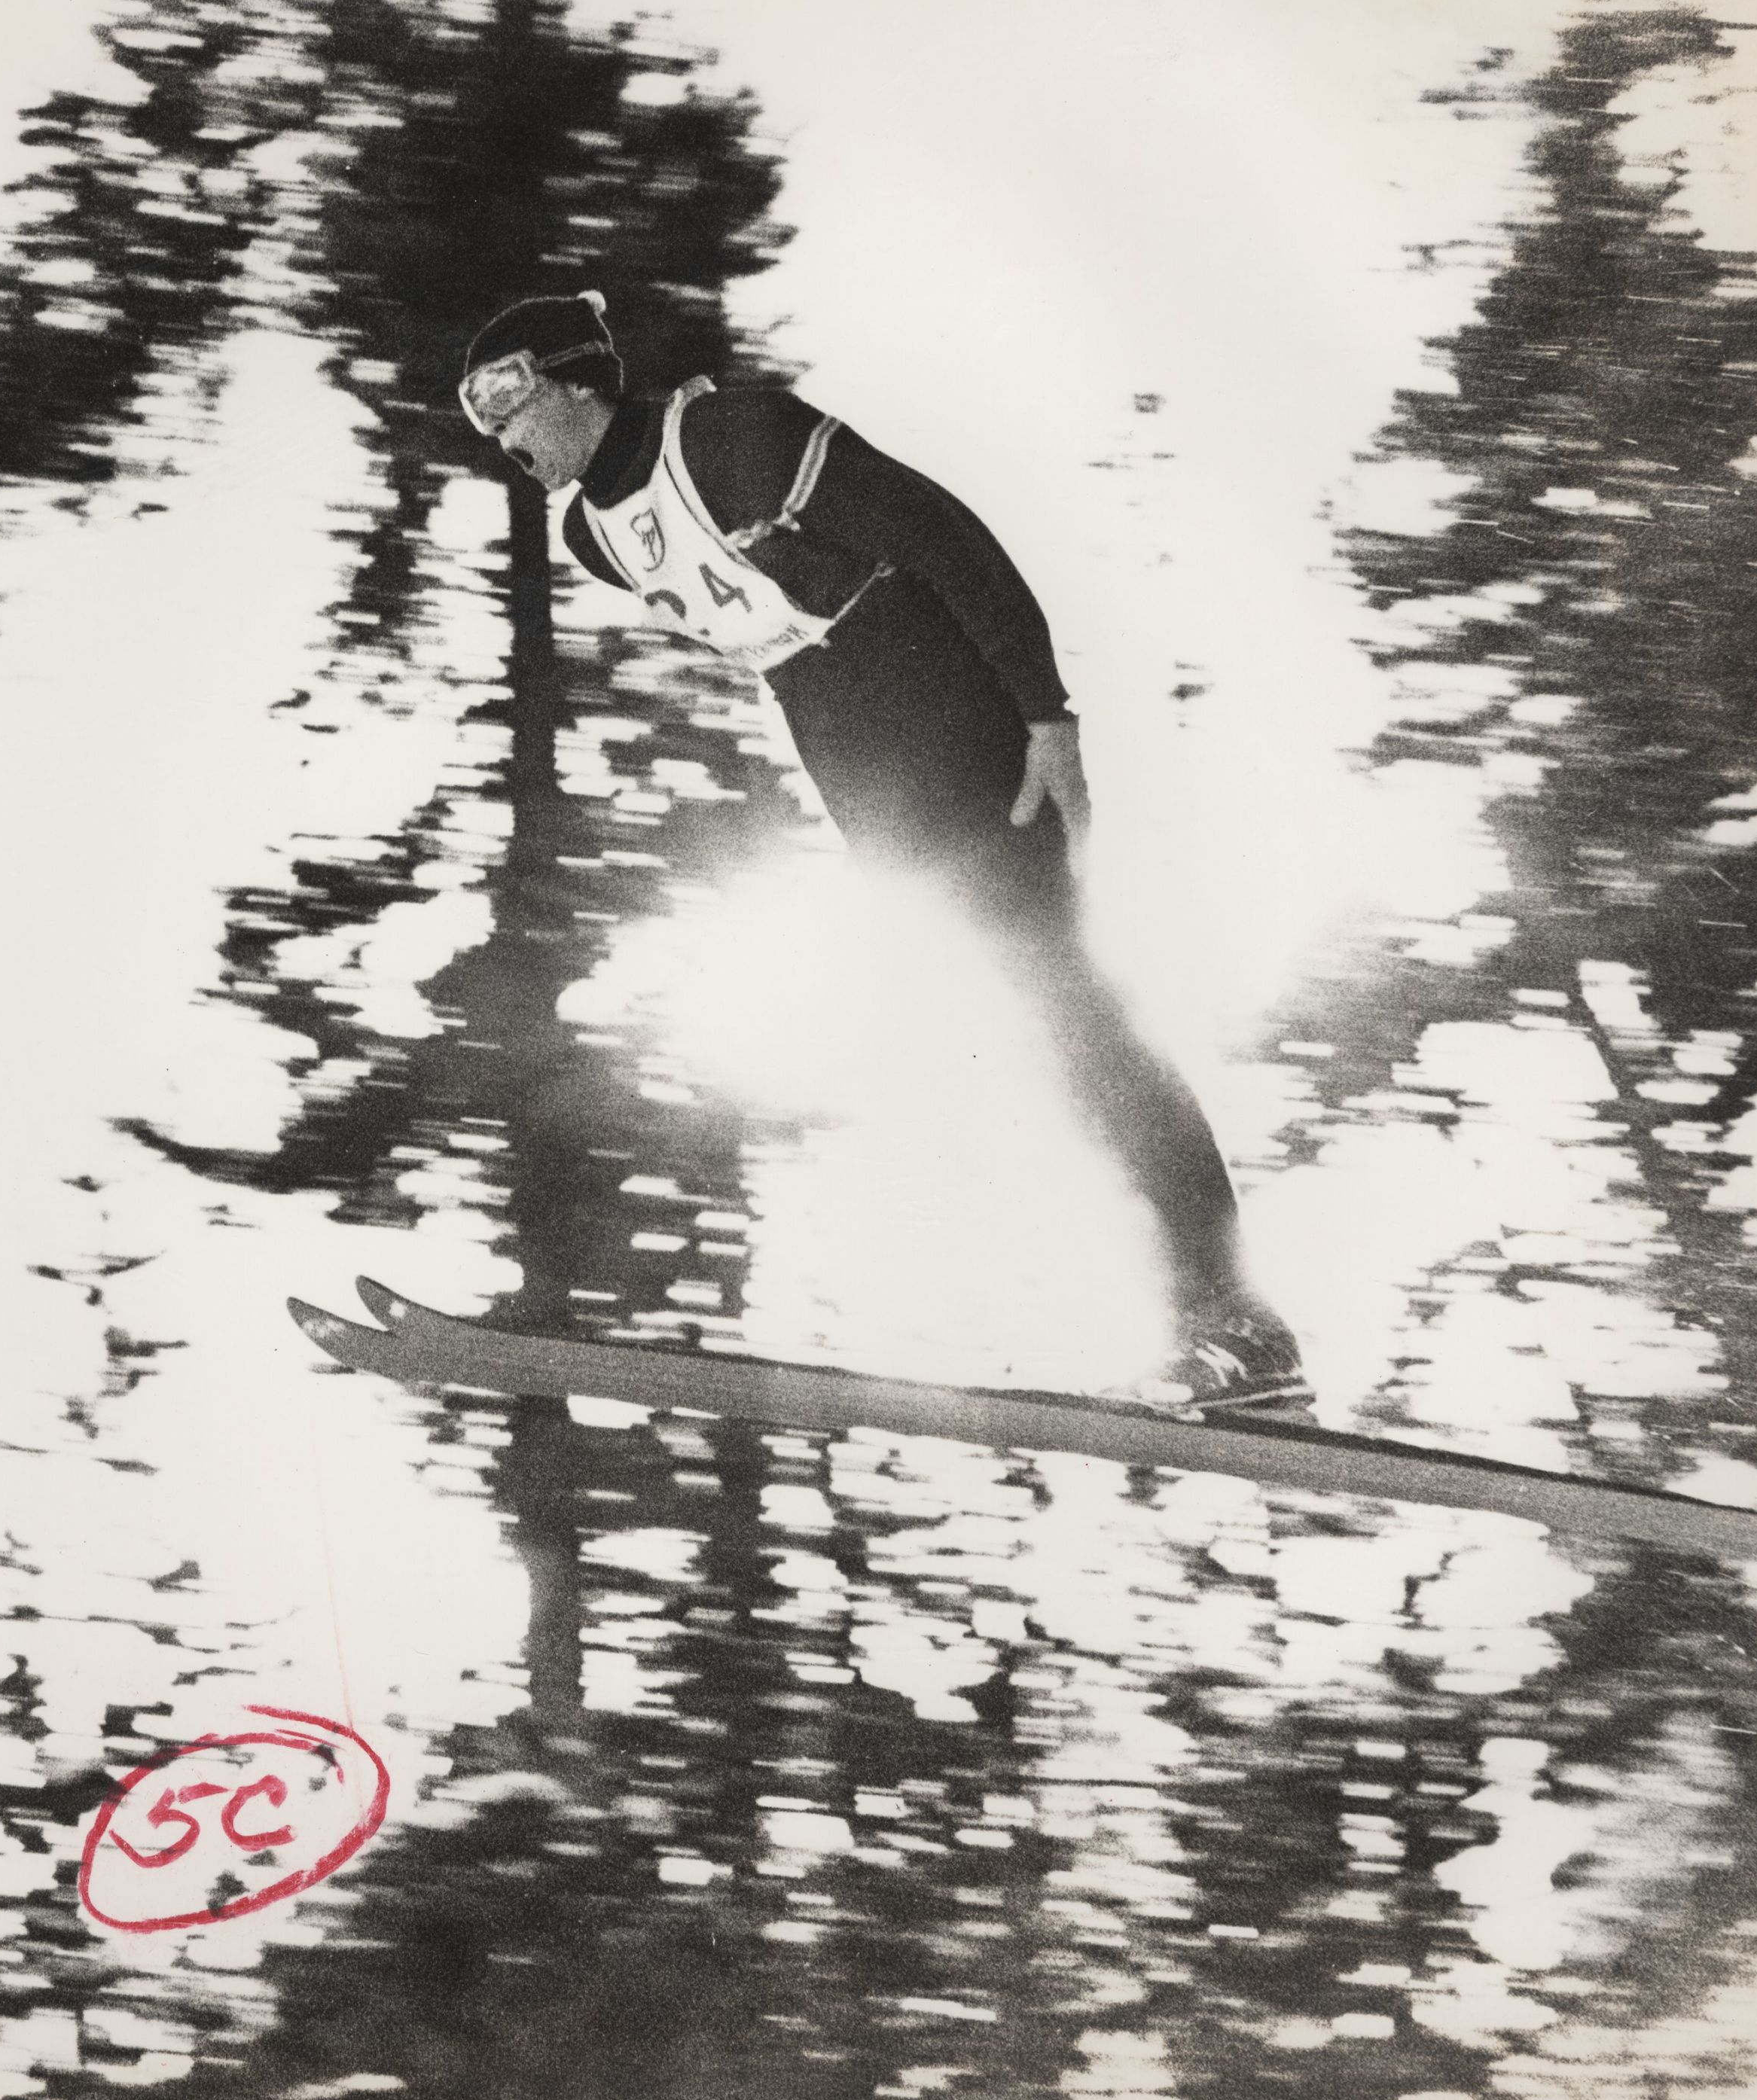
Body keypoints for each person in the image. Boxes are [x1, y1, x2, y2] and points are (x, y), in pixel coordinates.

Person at [457, 290, 1303, 1409]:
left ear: (576, 375)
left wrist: (1046, 715)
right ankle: (1170, 1315)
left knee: (1073, 1016)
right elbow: (784, 652)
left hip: (951, 709)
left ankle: (1240, 1323)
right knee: (1013, 1039)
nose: (495, 430)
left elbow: (940, 534)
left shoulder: (724, 437)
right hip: (860, 757)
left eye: (505, 393)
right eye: (473, 412)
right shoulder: (592, 538)